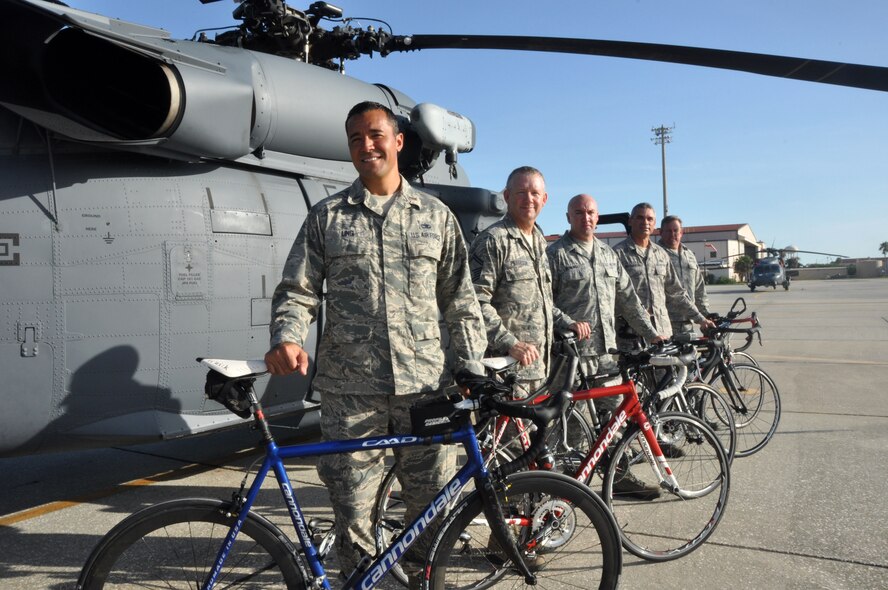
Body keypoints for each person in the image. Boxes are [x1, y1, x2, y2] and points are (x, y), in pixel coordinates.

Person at [264, 101, 486, 585]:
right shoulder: (327, 218)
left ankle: (423, 580)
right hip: (351, 394)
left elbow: (461, 301)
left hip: (426, 388)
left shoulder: (436, 216)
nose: (366, 146)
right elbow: (297, 290)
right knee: (353, 514)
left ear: (398, 141)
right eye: (355, 139)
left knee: (432, 506)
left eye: (376, 134)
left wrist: (471, 365)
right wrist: (287, 337)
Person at [547, 194, 665, 499]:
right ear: (568, 216)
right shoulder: (555, 255)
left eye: (591, 213)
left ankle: (620, 478)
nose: (586, 217)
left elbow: (629, 299)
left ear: (597, 218)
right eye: (579, 212)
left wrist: (652, 335)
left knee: (614, 421)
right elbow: (543, 302)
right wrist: (566, 322)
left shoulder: (608, 255)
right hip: (572, 359)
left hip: (607, 357)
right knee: (575, 429)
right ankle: (570, 492)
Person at [469, 166, 590, 396]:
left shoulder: (538, 242)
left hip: (540, 370)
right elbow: (475, 302)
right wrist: (510, 343)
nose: (529, 199)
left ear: (544, 199)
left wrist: (567, 322)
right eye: (521, 193)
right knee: (509, 434)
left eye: (535, 193)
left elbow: (541, 302)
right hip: (507, 373)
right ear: (506, 196)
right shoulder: (493, 241)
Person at [613, 203, 714, 348]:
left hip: (663, 334)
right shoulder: (617, 254)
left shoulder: (660, 255)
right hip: (632, 337)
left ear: (654, 223)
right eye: (640, 218)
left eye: (649, 219)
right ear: (631, 221)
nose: (645, 222)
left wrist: (701, 319)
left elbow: (677, 293)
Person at [659, 215, 712, 335]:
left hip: (688, 323)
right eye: (668, 231)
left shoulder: (689, 256)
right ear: (661, 232)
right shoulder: (656, 255)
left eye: (676, 230)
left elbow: (699, 290)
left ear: (681, 232)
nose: (672, 234)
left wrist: (706, 316)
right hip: (665, 324)